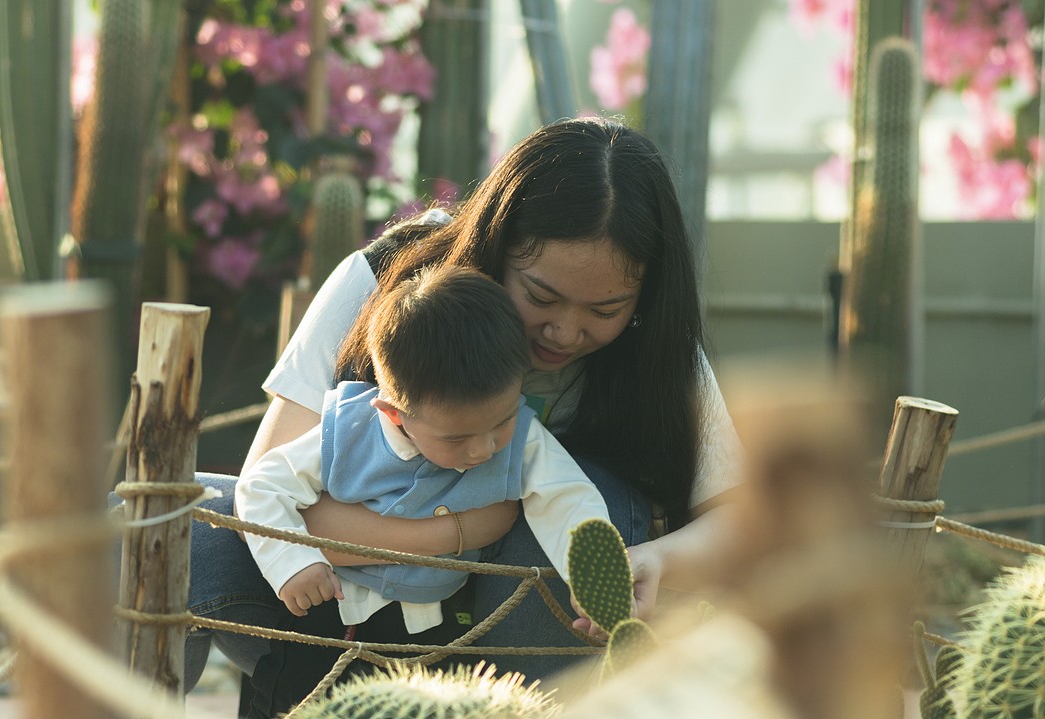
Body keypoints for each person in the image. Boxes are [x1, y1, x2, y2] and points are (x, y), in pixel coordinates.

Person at [182, 116, 744, 706]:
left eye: (606, 309)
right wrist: (464, 529)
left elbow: (743, 520)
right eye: (541, 295)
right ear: (496, 248)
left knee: (589, 506)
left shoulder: (657, 349)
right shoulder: (385, 280)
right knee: (167, 516)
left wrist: (654, 559)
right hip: (345, 613)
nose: (565, 330)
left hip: (534, 650)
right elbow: (265, 508)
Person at [237, 264, 610, 635]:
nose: (484, 449)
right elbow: (261, 487)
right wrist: (293, 562)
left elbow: (567, 498)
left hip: (442, 626)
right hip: (328, 611)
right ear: (395, 415)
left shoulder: (525, 438)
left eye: (502, 421)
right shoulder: (348, 432)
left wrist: (594, 580)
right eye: (455, 438)